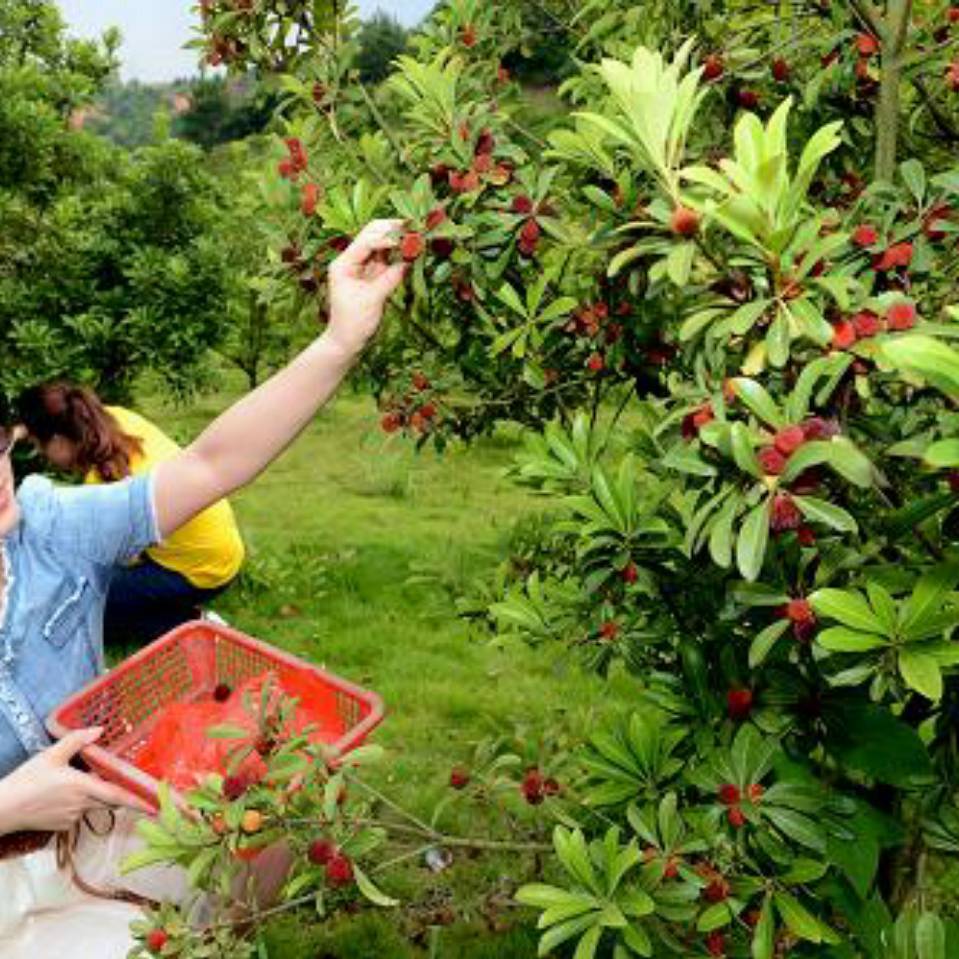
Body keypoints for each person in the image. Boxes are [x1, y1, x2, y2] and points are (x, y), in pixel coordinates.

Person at [0, 220, 406, 955]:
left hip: (94, 822)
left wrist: (338, 339)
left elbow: (212, 465)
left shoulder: (49, 525)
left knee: (258, 851)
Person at [17, 383, 246, 645]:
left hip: (200, 574)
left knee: (84, 605)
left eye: (39, 445)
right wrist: (22, 429)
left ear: (58, 440)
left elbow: (113, 560)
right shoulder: (117, 418)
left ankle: (192, 624)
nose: (42, 455)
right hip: (225, 551)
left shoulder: (106, 486)